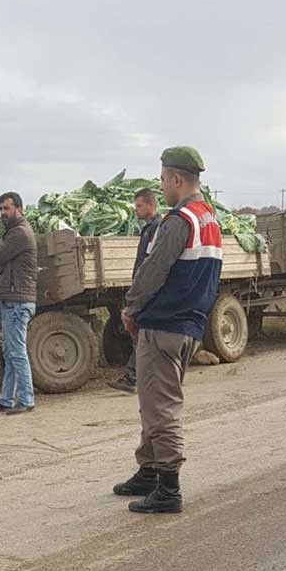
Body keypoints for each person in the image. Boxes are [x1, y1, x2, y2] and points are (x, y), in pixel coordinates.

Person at [113, 146, 222, 514]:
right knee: (151, 400)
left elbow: (153, 270)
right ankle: (149, 469)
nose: (161, 187)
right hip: (188, 324)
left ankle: (169, 488)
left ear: (177, 179)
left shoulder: (178, 220)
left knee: (161, 408)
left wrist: (132, 307)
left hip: (164, 325)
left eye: (162, 179)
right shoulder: (208, 218)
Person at [108, 188, 163, 394]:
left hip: (148, 290)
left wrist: (141, 288)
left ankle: (133, 378)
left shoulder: (157, 227)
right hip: (142, 287)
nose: (136, 210)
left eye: (139, 206)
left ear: (151, 205)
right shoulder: (148, 228)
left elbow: (151, 263)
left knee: (142, 334)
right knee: (142, 335)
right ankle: (137, 377)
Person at [0, 192, 38, 415]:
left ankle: (26, 399)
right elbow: (0, 263)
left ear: (19, 208)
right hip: (11, 299)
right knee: (9, 353)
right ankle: (6, 399)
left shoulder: (19, 234)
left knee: (17, 352)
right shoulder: (14, 233)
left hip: (18, 301)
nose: (2, 213)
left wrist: (0, 261)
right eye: (0, 209)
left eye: (6, 209)